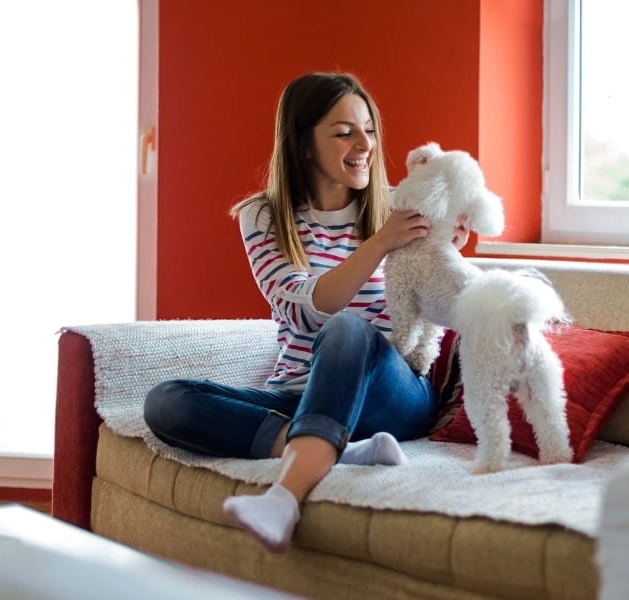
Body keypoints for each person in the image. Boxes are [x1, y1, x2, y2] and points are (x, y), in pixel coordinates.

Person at [143, 72, 469, 553]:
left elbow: (440, 291)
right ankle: (344, 450)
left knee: (349, 330)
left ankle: (284, 497)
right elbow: (304, 312)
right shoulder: (264, 215)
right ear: (303, 145)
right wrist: (379, 244)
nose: (365, 144)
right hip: (299, 393)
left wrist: (452, 246)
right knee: (165, 402)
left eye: (369, 129)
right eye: (344, 132)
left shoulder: (401, 209)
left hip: (394, 396)